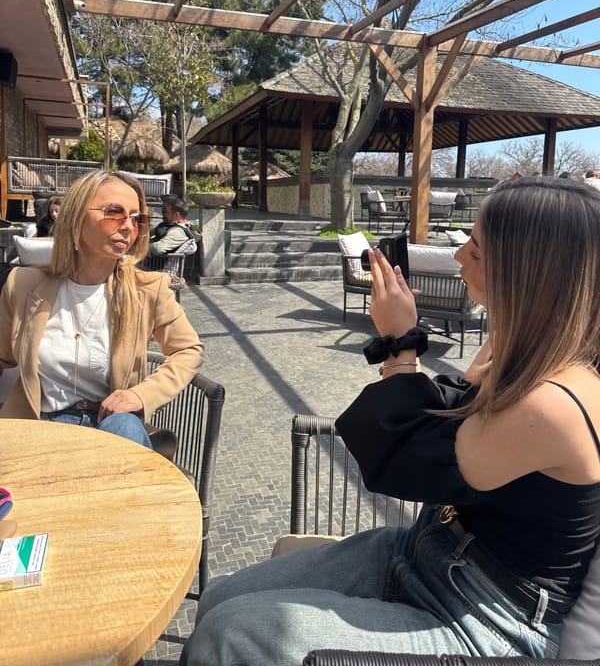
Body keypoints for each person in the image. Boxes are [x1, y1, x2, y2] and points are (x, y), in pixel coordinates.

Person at [181, 176, 600, 666]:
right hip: (425, 551)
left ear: (531, 276)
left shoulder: (556, 401)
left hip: (484, 618)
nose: (460, 257)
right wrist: (404, 344)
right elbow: (442, 419)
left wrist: (400, 342)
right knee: (217, 597)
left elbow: (404, 462)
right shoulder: (518, 349)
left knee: (230, 633)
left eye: (478, 252)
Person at [0, 170, 203, 447]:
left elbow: (188, 350)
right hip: (37, 424)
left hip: (108, 425)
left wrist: (141, 395)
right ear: (76, 217)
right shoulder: (23, 285)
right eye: (114, 212)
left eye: (137, 218)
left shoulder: (148, 290)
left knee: (125, 426)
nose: (129, 226)